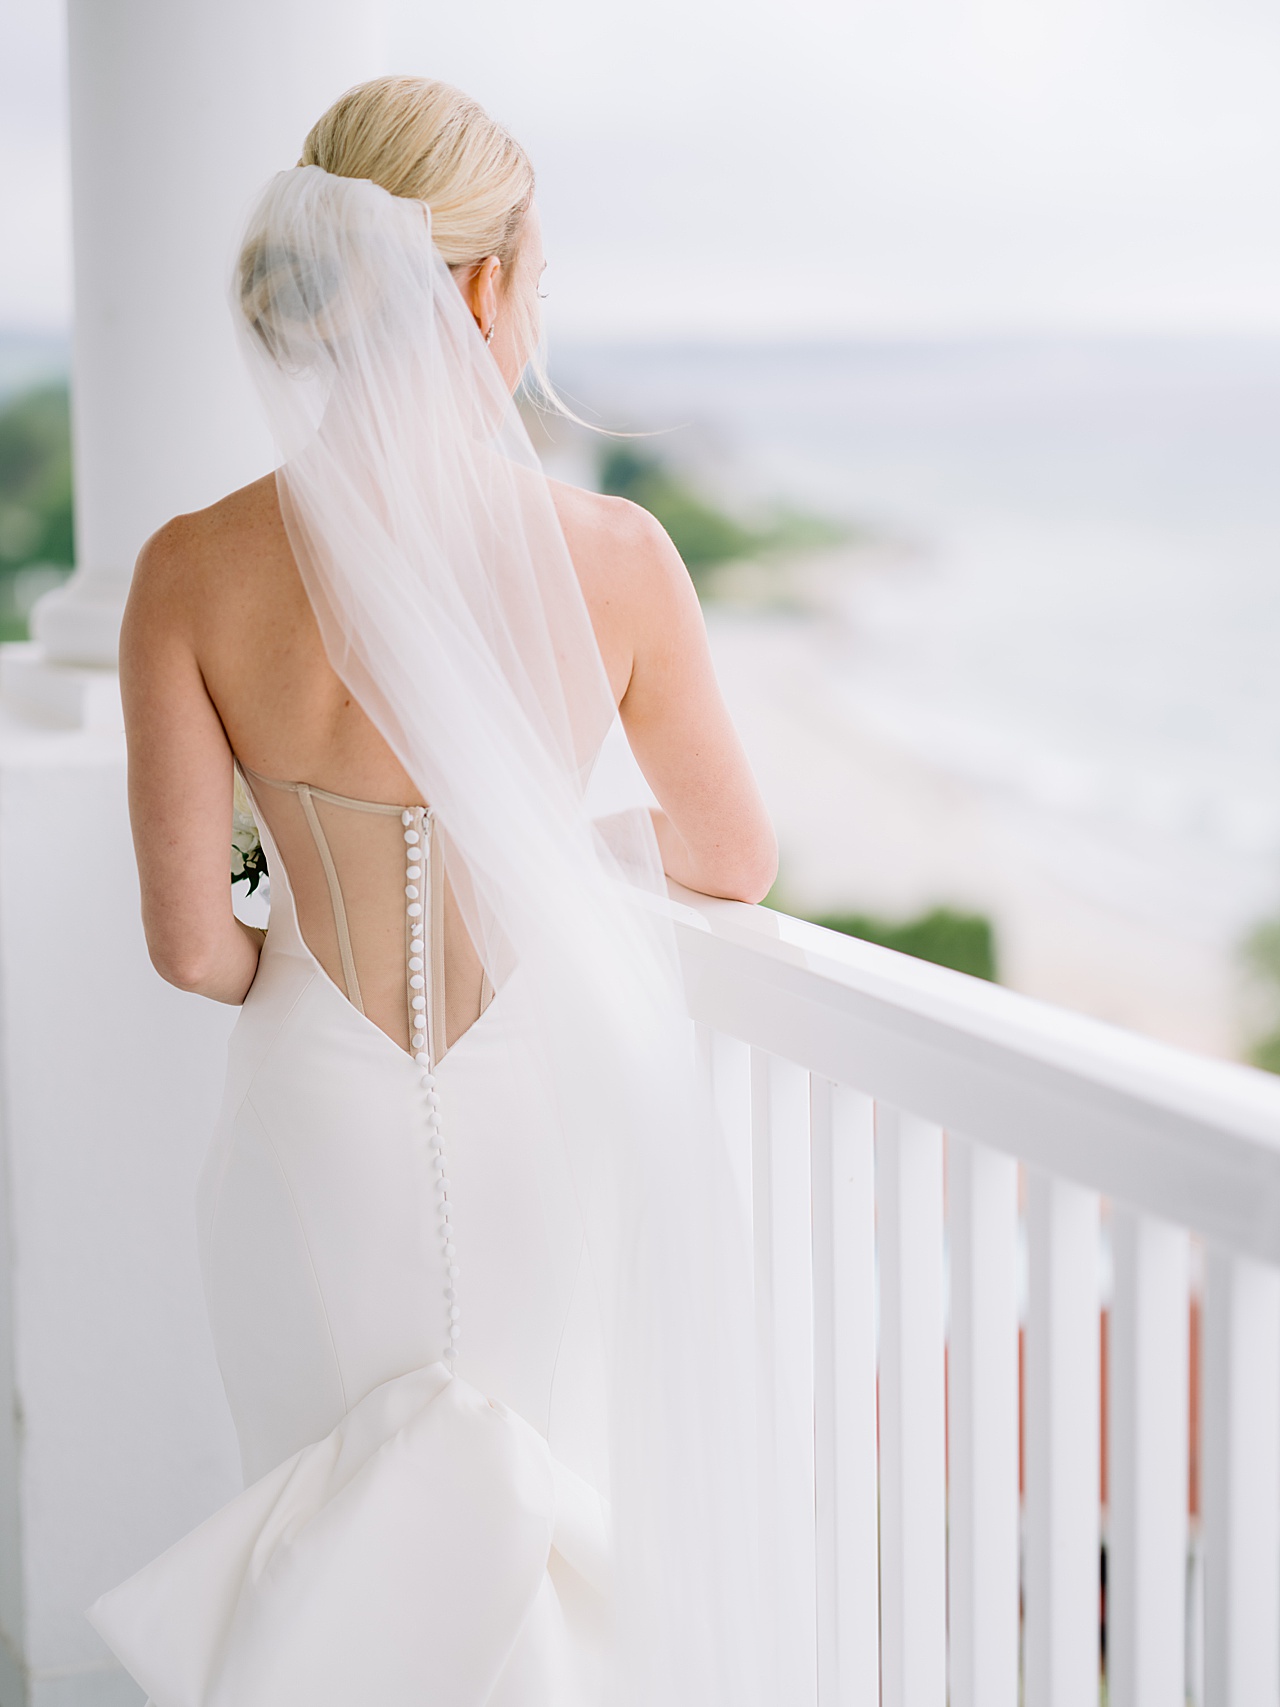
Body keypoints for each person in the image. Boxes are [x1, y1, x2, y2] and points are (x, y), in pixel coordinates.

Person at [88, 75, 777, 1707]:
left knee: (332, 1550)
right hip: (542, 1111)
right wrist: (547, 853)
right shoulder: (612, 559)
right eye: (539, 270)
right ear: (482, 287)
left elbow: (195, 945)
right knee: (542, 1535)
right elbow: (731, 857)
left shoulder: (187, 569)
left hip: (306, 1125)